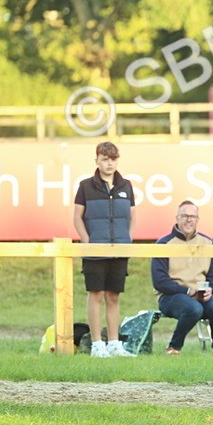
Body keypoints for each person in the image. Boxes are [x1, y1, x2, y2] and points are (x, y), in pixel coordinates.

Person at [72, 141, 137, 358]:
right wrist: (87, 241)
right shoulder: (85, 186)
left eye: (113, 159)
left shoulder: (126, 186)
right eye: (105, 159)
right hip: (94, 251)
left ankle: (114, 344)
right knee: (96, 294)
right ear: (97, 161)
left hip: (119, 249)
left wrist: (127, 239)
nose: (109, 164)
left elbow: (132, 216)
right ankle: (97, 344)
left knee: (113, 296)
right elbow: (77, 217)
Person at [152, 200, 213, 357]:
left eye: (193, 216)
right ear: (177, 218)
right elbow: (159, 281)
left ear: (197, 220)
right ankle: (173, 348)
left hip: (201, 294)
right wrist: (188, 291)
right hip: (170, 297)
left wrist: (212, 289)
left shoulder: (207, 242)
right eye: (185, 216)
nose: (189, 219)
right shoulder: (163, 243)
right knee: (194, 308)